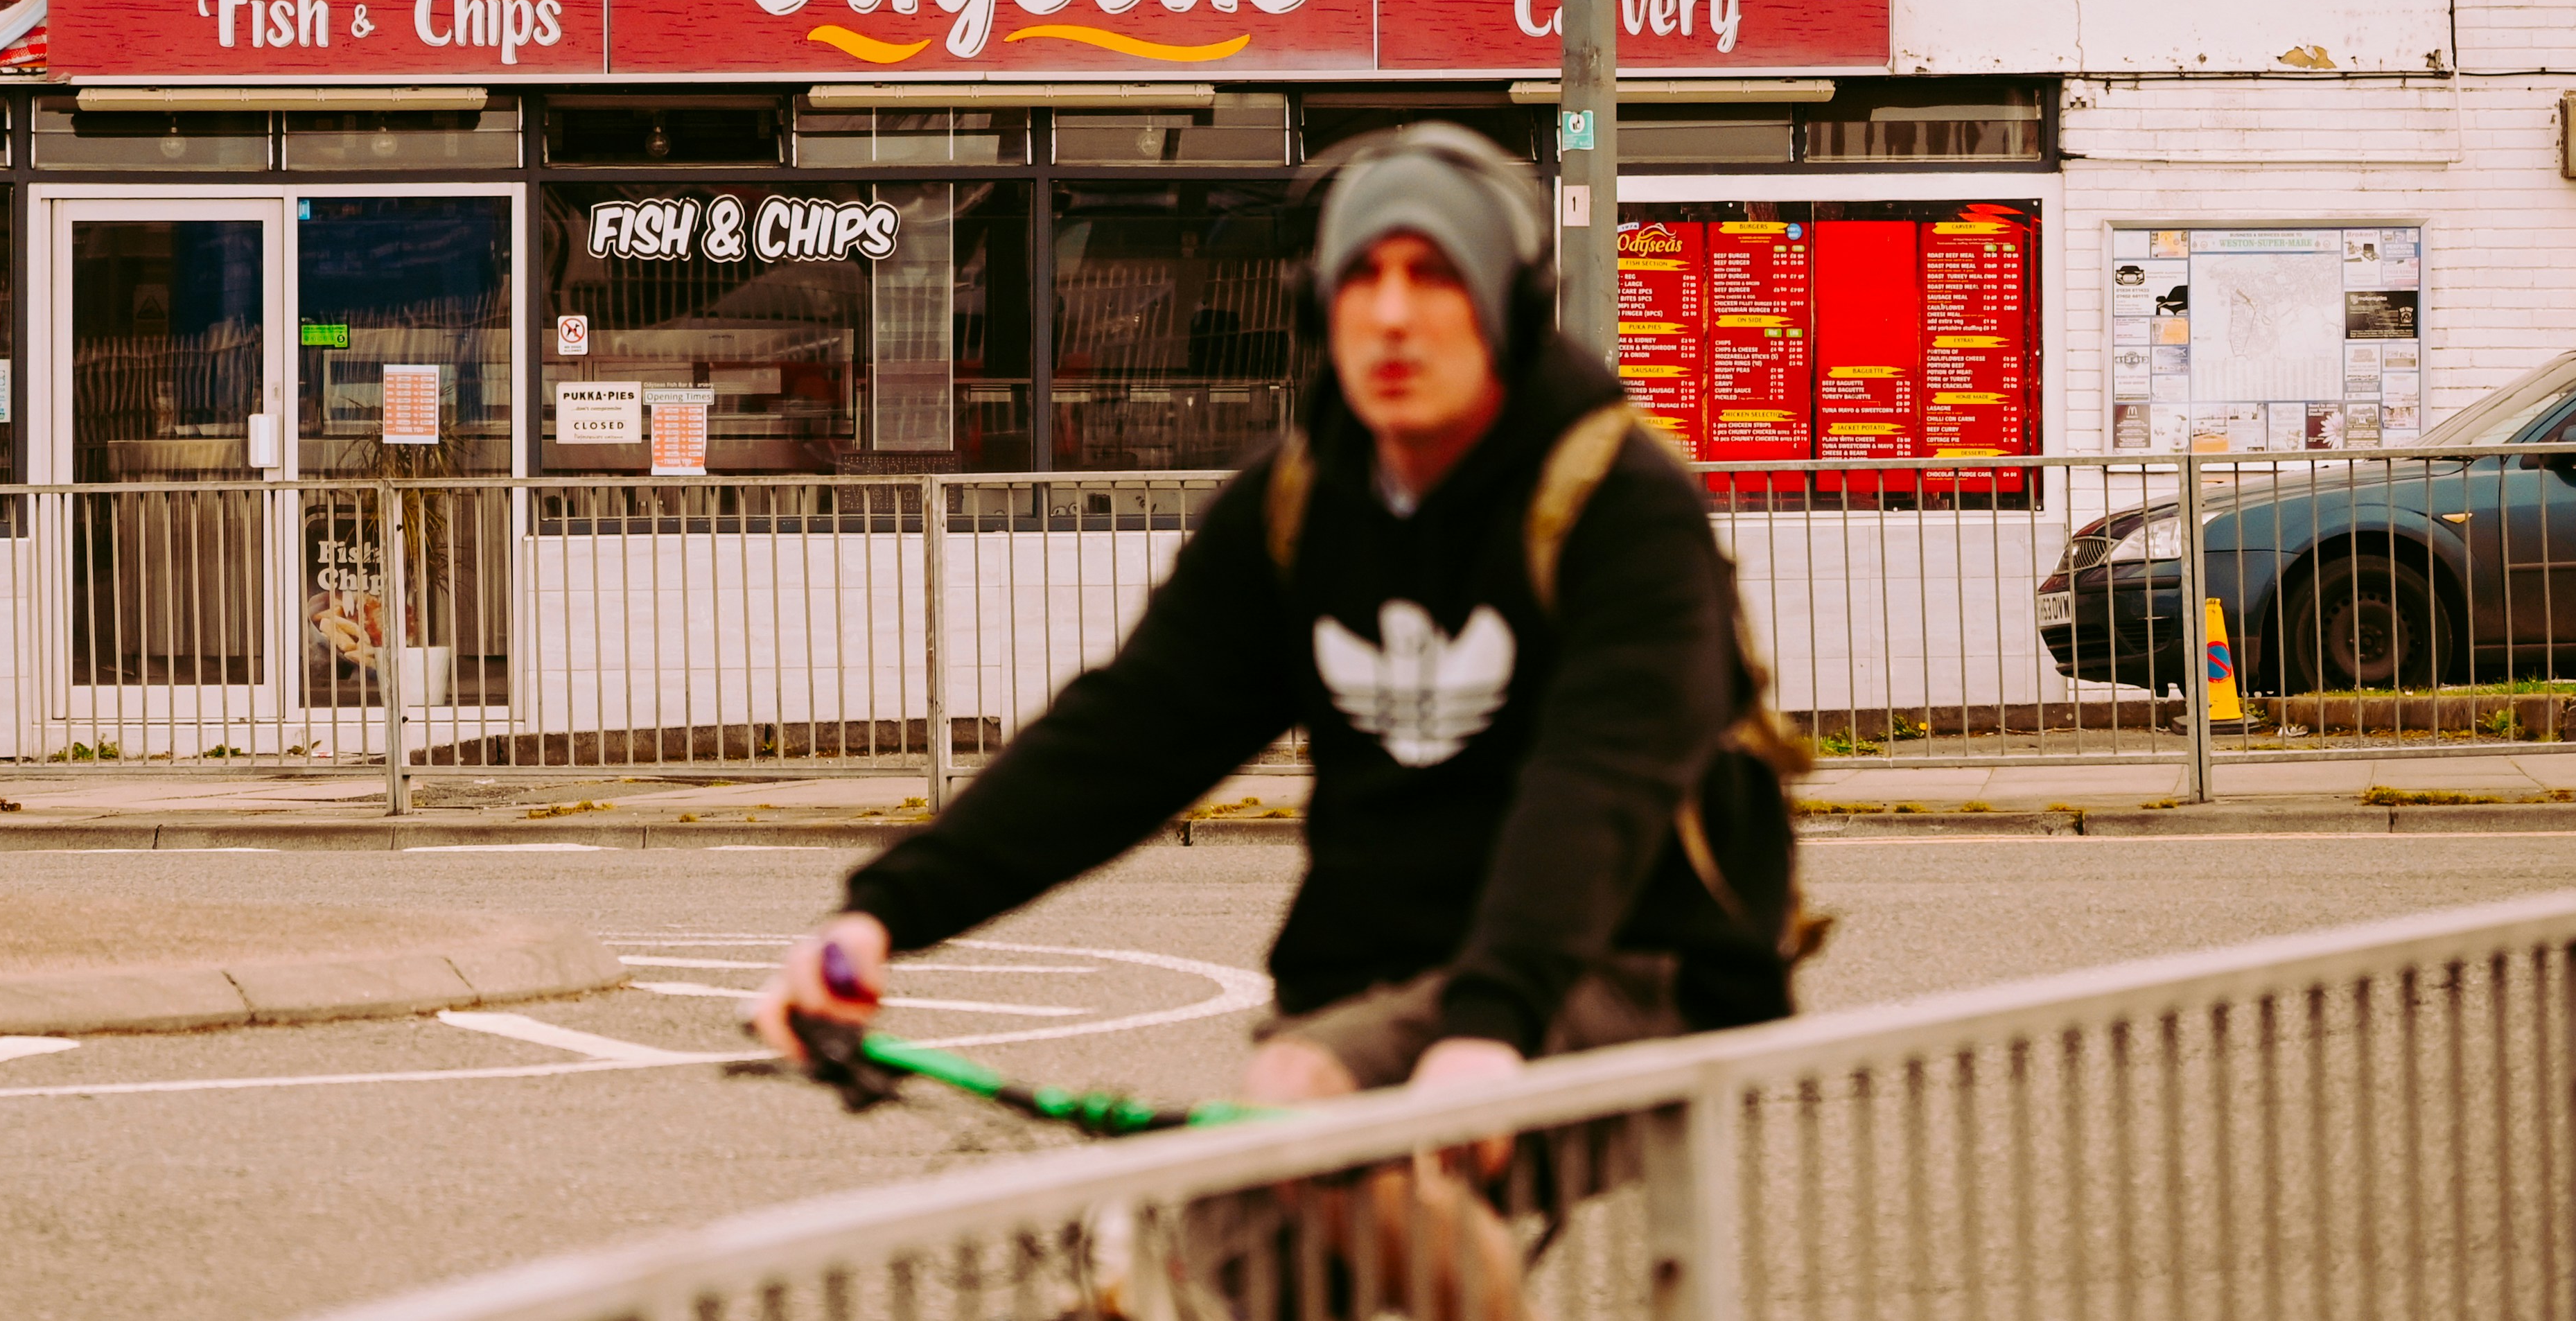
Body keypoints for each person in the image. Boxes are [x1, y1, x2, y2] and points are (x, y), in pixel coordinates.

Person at [753, 123, 1810, 1112]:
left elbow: (1601, 775)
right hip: (1386, 974)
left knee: (1308, 1111)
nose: (1391, 316)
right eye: (1362, 278)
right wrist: (879, 915)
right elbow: (1133, 734)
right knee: (1285, 1219)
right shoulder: (1300, 504)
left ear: (1505, 307)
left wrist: (1491, 1023)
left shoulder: (1615, 500)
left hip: (1631, 959)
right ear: (1319, 309)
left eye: (1433, 276)